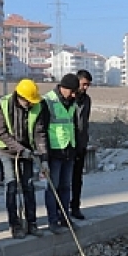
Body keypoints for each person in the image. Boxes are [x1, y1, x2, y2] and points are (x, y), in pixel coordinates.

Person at [0, 78, 49, 239]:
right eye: (28, 101)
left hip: (28, 152)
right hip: (7, 151)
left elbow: (40, 134)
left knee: (29, 186)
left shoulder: (38, 106)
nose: (30, 104)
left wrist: (44, 159)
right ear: (20, 97)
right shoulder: (2, 105)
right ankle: (15, 225)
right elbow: (2, 133)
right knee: (11, 186)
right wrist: (20, 150)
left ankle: (31, 223)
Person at [43, 74, 81, 234]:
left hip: (69, 151)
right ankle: (53, 220)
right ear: (63, 88)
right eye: (72, 92)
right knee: (53, 187)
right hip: (54, 152)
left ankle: (65, 217)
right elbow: (41, 130)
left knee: (66, 186)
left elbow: (72, 126)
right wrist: (44, 155)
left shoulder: (72, 103)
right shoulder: (48, 101)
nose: (74, 95)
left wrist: (76, 148)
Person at [70, 70, 93, 220]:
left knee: (77, 179)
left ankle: (75, 207)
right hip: (66, 145)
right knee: (64, 180)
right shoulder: (68, 99)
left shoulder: (87, 100)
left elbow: (85, 122)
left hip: (80, 145)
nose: (85, 87)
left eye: (88, 85)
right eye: (84, 84)